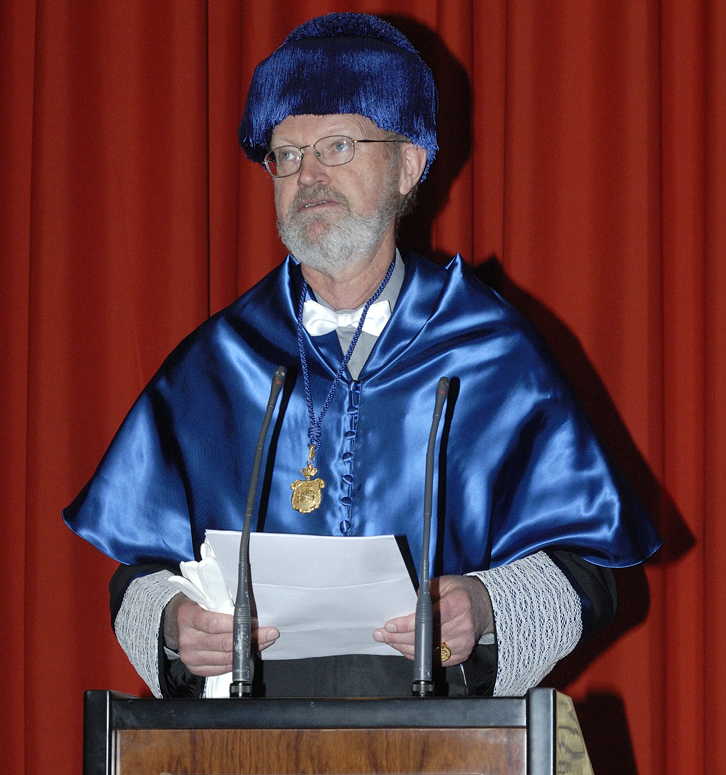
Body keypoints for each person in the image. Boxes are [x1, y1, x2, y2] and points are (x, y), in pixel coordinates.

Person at [64, 13, 660, 699]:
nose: (308, 175)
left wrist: (486, 607)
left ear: (408, 164)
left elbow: (588, 572)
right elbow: (137, 572)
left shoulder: (491, 351)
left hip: (446, 769)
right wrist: (173, 624)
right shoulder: (218, 363)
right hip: (246, 765)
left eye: (337, 146)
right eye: (286, 155)